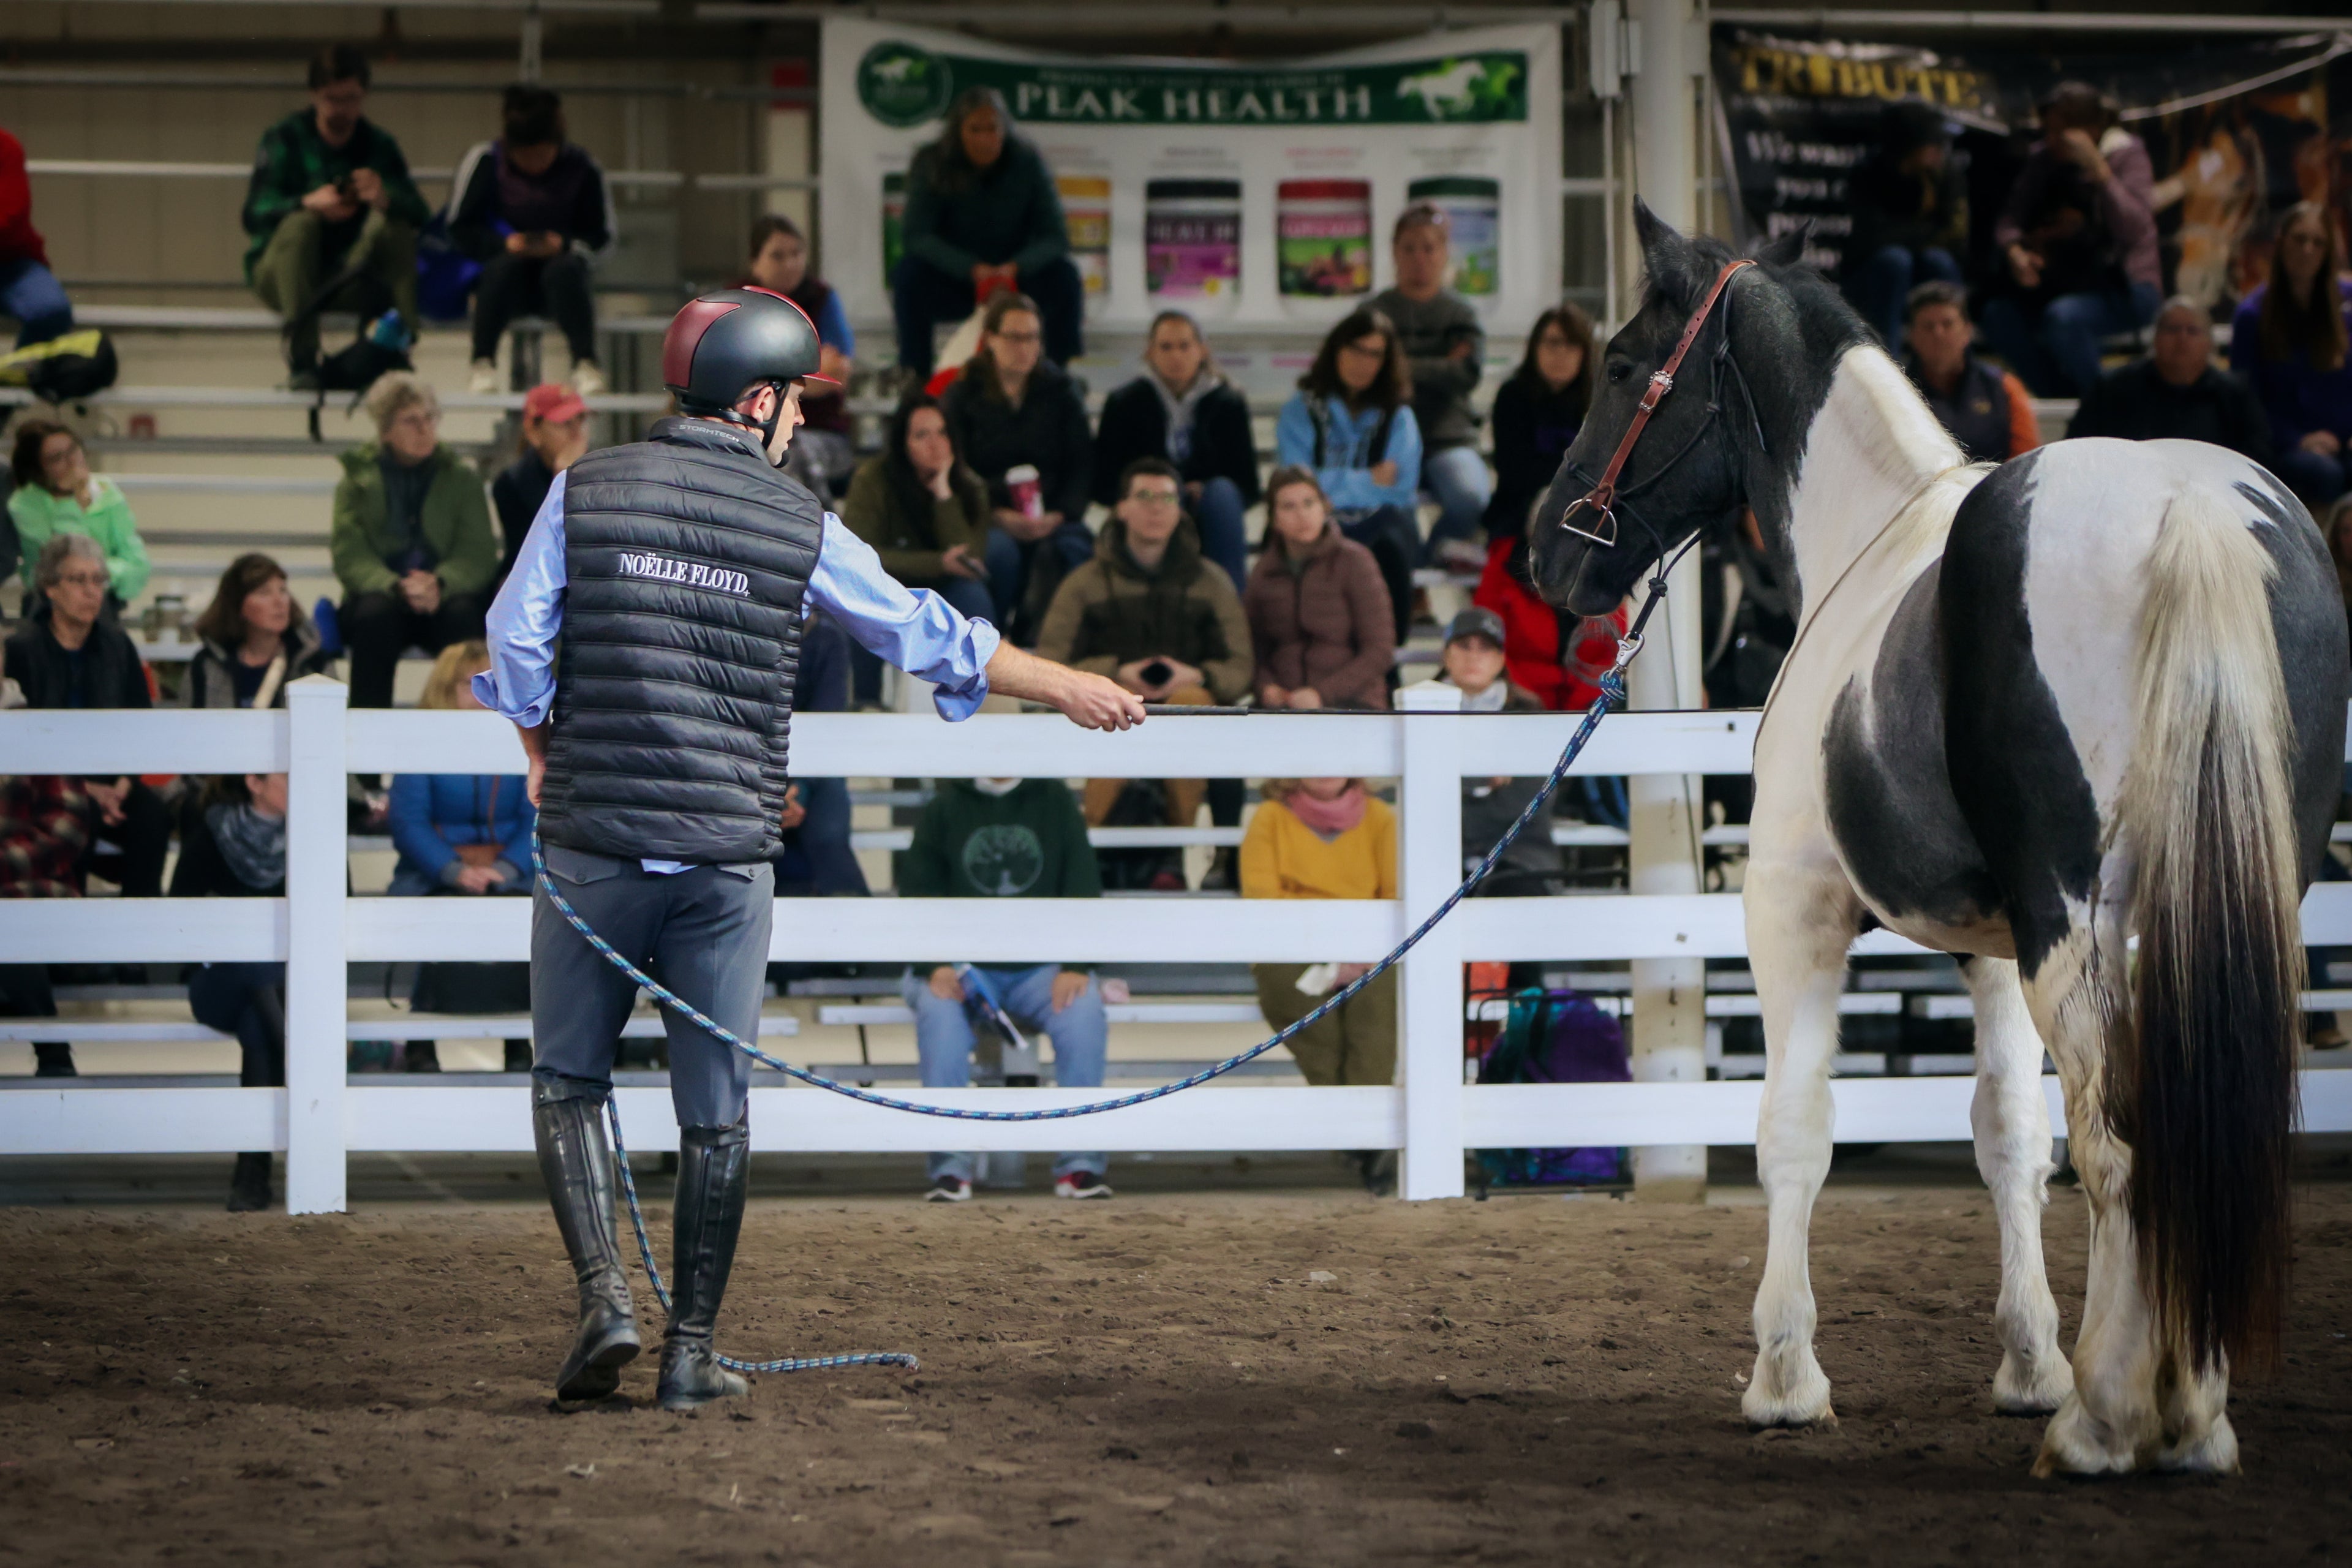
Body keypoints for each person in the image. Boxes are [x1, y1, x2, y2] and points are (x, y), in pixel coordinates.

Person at [473, 285, 1142, 1412]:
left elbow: (513, 638)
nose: (804, 427)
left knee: (568, 1076)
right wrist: (1062, 686)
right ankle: (690, 1349)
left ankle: (604, 1301)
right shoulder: (799, 523)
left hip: (594, 836)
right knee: (717, 1106)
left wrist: (541, 743)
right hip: (726, 858)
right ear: (763, 398)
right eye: (799, 405)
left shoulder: (580, 489)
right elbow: (926, 632)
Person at [897, 775, 1111, 1201]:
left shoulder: (1055, 801)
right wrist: (933, 964)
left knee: (1084, 1010)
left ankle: (1080, 1165)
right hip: (961, 968)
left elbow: (1082, 878)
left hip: (1042, 968)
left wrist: (1077, 965)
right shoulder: (944, 806)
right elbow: (918, 888)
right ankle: (950, 1169)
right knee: (939, 1016)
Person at [1039, 456, 1252, 838]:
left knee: (1191, 700)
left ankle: (1177, 844)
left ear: (1181, 510)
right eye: (1145, 496)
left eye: (1168, 498)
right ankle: (1097, 849)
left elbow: (1241, 666)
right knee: (1114, 704)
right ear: (1120, 508)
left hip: (1188, 714)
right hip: (1106, 715)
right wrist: (1116, 673)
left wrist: (1197, 676)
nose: (1156, 507)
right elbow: (1050, 664)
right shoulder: (1084, 584)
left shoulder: (1212, 583)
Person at [1242, 774, 1399, 1187]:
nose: (1326, 769)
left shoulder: (1380, 817)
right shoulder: (1270, 818)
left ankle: (1361, 1137)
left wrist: (1356, 952)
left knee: (1377, 1013)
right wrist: (1332, 950)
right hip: (1289, 950)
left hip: (1370, 950)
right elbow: (1262, 896)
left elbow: (1395, 893)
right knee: (1308, 1015)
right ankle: (1361, 1135)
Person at [241, 45, 431, 383]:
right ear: (314, 95)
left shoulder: (378, 145)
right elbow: (253, 213)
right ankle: (303, 358)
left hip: (348, 274)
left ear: (365, 95)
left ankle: (400, 346)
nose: (342, 109)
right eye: (332, 99)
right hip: (285, 274)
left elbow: (420, 214)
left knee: (396, 229)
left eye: (351, 99)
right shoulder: (285, 139)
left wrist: (384, 199)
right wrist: (306, 203)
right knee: (301, 226)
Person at [389, 641, 535, 1073]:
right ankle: (421, 1042)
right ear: (445, 690)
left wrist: (505, 868)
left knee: (531, 915)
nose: (482, 696)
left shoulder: (523, 738)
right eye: (472, 685)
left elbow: (535, 815)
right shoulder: (420, 744)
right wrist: (453, 870)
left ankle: (519, 1040)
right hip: (433, 872)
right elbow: (409, 822)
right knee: (429, 913)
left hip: (509, 872)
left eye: (491, 685)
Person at [2, 535, 170, 900]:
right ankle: (73, 948)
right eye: (78, 580)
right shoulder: (22, 649)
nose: (92, 591)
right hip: (49, 786)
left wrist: (123, 783)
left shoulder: (118, 645)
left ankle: (134, 943)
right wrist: (88, 788)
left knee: (153, 816)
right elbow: (23, 736)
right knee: (79, 814)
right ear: (50, 587)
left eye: (98, 581)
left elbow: (140, 723)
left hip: (114, 781)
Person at [1981, 82, 2161, 399]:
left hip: (2126, 287)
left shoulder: (2127, 155)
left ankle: (2108, 411)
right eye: (2046, 132)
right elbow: (2010, 217)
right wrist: (2015, 251)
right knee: (1998, 316)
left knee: (2064, 319)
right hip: (2062, 281)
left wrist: (2099, 169)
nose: (2050, 141)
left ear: (2090, 130)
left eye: (2059, 133)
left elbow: (2134, 229)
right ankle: (2065, 401)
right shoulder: (2043, 159)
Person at [892, 87, 1083, 380]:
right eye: (975, 130)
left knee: (1065, 277)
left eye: (992, 129)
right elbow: (917, 236)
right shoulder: (932, 162)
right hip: (958, 279)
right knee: (908, 276)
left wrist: (1016, 267)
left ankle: (1059, 375)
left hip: (1016, 279)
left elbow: (1056, 237)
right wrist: (970, 269)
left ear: (1005, 129)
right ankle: (915, 376)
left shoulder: (1028, 161)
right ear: (959, 131)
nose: (985, 139)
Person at [332, 372, 498, 710]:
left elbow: (478, 551)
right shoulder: (358, 480)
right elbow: (350, 553)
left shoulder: (462, 479)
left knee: (466, 616)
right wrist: (394, 585)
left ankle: (470, 741)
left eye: (429, 419)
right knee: (373, 617)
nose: (425, 430)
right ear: (386, 430)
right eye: (411, 421)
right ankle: (367, 749)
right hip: (385, 595)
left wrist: (440, 582)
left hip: (444, 596)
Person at [939, 292, 1093, 638]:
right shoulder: (963, 394)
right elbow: (953, 469)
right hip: (987, 514)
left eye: (1032, 338)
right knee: (1000, 551)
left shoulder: (1062, 392)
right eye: (1014, 337)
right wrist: (995, 513)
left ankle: (1051, 643)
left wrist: (1061, 515)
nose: (1024, 347)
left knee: (1071, 549)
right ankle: (991, 646)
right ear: (991, 339)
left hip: (1051, 515)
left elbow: (1082, 463)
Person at [170, 772, 291, 1212]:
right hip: (216, 981)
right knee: (256, 958)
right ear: (255, 782)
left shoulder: (315, 834)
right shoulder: (212, 834)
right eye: (288, 774)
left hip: (286, 992)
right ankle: (296, 1051)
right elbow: (178, 916)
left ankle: (252, 1172)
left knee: (259, 1021)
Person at [451, 85, 616, 398]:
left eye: (542, 155)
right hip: (504, 282)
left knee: (564, 269)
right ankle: (482, 362)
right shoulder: (486, 160)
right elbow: (460, 228)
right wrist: (503, 244)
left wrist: (564, 244)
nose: (534, 165)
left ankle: (586, 362)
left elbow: (602, 236)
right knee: (503, 268)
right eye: (525, 157)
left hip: (562, 283)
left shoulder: (583, 168)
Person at [1276, 307, 1423, 644]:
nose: (1364, 362)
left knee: (1391, 536)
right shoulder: (1301, 409)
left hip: (1382, 524)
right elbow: (1296, 483)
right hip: (1318, 521)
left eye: (1375, 354)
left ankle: (1386, 653)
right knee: (1303, 525)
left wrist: (1327, 483)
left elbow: (1400, 491)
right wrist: (1369, 479)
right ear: (1336, 350)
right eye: (1356, 350)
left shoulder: (1399, 415)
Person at [1090, 310, 1258, 592]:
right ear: (1150, 353)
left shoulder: (1228, 402)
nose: (1176, 356)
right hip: (1146, 502)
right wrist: (1165, 489)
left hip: (1210, 505)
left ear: (1202, 351)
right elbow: (1104, 483)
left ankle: (1230, 607)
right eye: (1166, 347)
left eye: (1184, 346)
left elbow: (1248, 487)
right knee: (1156, 497)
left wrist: (1201, 488)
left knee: (1223, 495)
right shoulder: (1124, 403)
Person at [1371, 203, 1489, 565]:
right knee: (1388, 506)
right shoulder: (1374, 313)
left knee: (1471, 496)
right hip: (1385, 441)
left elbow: (1466, 374)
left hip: (1448, 438)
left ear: (1444, 253)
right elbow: (1367, 374)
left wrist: (1401, 365)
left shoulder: (1461, 313)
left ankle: (1431, 554)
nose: (1419, 257)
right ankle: (1413, 585)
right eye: (1409, 247)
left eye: (1428, 247)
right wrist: (1439, 364)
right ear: (1394, 252)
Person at [2231, 201, 2352, 511]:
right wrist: (2298, 439)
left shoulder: (2347, 308)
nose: (2308, 250)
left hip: (2343, 436)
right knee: (2322, 472)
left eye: (2318, 242)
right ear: (2281, 241)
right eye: (2300, 239)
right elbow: (2246, 400)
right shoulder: (2252, 315)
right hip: (2285, 442)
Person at [1433, 607, 1561, 895]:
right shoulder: (1420, 708)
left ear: (1501, 658)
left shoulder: (1528, 711)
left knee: (1517, 890)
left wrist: (1458, 788)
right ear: (1447, 655)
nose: (1474, 656)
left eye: (1486, 648)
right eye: (1464, 646)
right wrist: (1483, 783)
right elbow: (1420, 791)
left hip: (1520, 854)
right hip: (1439, 849)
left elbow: (1533, 797)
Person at [1243, 466, 1394, 712]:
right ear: (1274, 519)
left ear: (1324, 507)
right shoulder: (1263, 573)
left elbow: (1379, 650)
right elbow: (1252, 650)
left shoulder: (1355, 561)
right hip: (1283, 709)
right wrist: (1265, 687)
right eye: (1289, 507)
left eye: (1309, 503)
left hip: (1353, 705)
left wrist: (1322, 694)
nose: (1302, 515)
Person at [839, 390, 997, 623]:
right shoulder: (873, 479)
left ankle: (992, 655)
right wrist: (939, 563)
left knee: (975, 592)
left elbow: (970, 560)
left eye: (942, 433)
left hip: (942, 587)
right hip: (886, 586)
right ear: (903, 444)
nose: (936, 445)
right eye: (922, 435)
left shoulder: (970, 484)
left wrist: (943, 493)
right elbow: (859, 556)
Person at [2067, 296, 2272, 462]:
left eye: (2192, 331)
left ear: (2210, 344)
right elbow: (2077, 448)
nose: (2182, 338)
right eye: (2172, 329)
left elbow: (2258, 460)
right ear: (2155, 338)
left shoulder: (2235, 396)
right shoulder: (2112, 388)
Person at [1841, 102, 1968, 351]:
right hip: (1873, 277)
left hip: (1924, 266)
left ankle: (1956, 357)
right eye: (1932, 143)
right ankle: (1890, 361)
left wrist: (1907, 236)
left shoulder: (1945, 174)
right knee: (1895, 261)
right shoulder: (1869, 174)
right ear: (1907, 146)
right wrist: (1928, 233)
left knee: (1938, 260)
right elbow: (1872, 240)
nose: (1938, 151)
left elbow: (1957, 237)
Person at [742, 215, 856, 491]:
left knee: (793, 453)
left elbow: (837, 374)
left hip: (823, 433)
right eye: (778, 256)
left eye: (797, 254)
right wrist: (806, 375)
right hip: (750, 429)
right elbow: (736, 380)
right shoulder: (739, 300)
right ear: (755, 262)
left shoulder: (823, 299)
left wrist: (767, 375)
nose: (791, 264)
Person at [0, 769, 94, 1080]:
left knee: (10, 920)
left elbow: (66, 832)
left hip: (34, 886)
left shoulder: (37, 738)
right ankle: (53, 1052)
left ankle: (53, 1051)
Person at [1482, 304, 1596, 543]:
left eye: (1572, 345)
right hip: (1520, 513)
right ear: (1535, 347)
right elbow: (1513, 470)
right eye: (1553, 343)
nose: (1561, 353)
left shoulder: (1597, 402)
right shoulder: (1512, 396)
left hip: (1584, 511)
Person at [9, 420, 149, 608]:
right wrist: (69, 499)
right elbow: (64, 562)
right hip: (47, 606)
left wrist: (96, 577)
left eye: (73, 449)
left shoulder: (107, 491)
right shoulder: (24, 504)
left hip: (105, 603)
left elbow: (138, 568)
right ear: (38, 471)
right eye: (57, 458)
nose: (73, 461)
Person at [1900, 282, 2039, 464]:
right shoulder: (1897, 390)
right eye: (1928, 326)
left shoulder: (2004, 387)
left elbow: (2026, 463)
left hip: (1993, 488)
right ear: (1912, 336)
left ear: (1967, 331)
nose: (1938, 334)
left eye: (1947, 324)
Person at [179, 552, 333, 710]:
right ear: (238, 605)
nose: (279, 602)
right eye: (264, 593)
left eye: (283, 590)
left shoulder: (313, 663)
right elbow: (187, 728)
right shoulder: (207, 665)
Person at [491, 382, 590, 588]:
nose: (575, 434)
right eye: (563, 424)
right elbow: (536, 552)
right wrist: (563, 482)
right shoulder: (510, 485)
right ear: (534, 433)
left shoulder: (606, 472)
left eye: (579, 421)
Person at [0, 127, 74, 347]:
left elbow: (11, 217)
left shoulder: (5, 147)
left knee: (51, 311)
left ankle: (21, 371)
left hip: (13, 265)